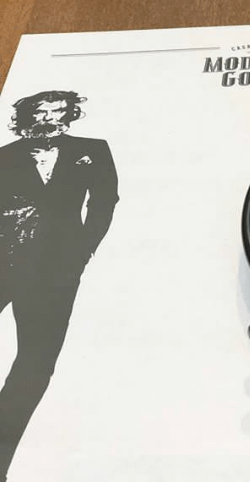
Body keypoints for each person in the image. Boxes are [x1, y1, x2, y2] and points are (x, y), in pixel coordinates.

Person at [0, 90, 119, 480]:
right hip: (3, 261)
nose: (52, 118)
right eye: (43, 111)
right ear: (26, 116)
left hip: (55, 270)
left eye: (60, 111)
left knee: (36, 363)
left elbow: (104, 201)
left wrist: (81, 252)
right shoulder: (4, 156)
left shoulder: (92, 150)